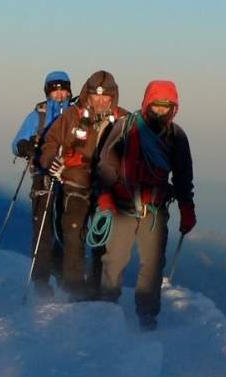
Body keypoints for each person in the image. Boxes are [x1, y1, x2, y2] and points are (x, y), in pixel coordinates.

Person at [94, 80, 196, 329]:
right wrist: (106, 196)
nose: (161, 112)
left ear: (174, 108)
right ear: (147, 103)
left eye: (166, 108)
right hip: (121, 206)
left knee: (152, 266)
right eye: (157, 107)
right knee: (114, 260)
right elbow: (106, 164)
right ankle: (107, 313)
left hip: (155, 210)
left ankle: (147, 317)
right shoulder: (125, 127)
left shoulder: (176, 136)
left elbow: (183, 175)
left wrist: (187, 207)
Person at [39, 70, 126, 301]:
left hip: (107, 188)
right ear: (87, 95)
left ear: (112, 97)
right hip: (75, 182)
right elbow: (51, 143)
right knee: (73, 232)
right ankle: (74, 290)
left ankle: (98, 292)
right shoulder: (71, 116)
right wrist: (50, 162)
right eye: (95, 96)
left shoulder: (124, 120)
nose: (99, 101)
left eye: (105, 97)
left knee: (103, 238)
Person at [11, 71, 72, 299]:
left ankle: (61, 272)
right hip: (43, 177)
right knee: (44, 232)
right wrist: (26, 147)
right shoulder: (37, 117)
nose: (59, 94)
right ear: (47, 91)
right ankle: (41, 281)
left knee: (67, 228)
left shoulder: (75, 114)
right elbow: (16, 144)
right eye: (55, 89)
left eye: (63, 89)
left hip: (69, 176)